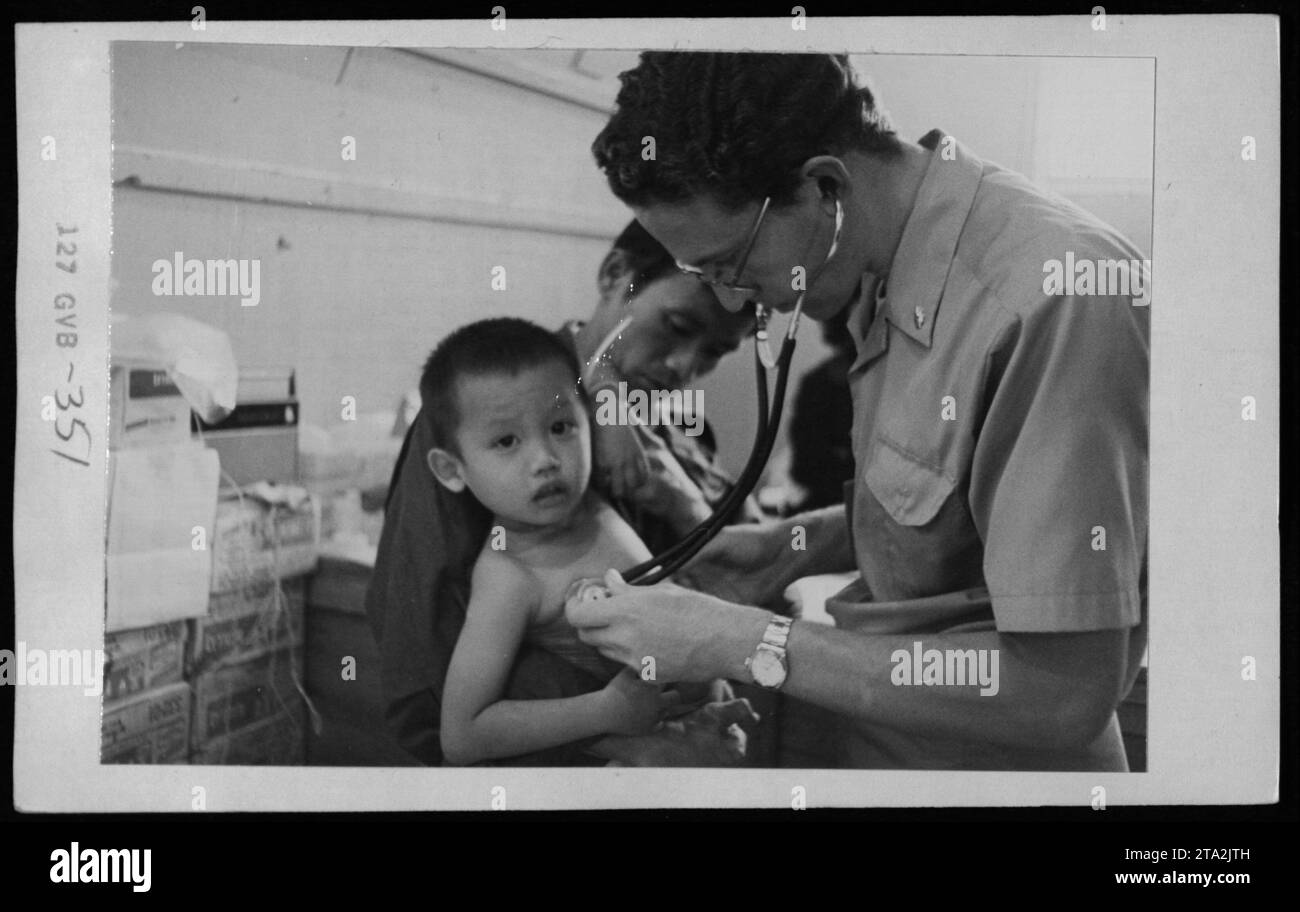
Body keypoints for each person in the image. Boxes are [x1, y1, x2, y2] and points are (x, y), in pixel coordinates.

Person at [573, 51, 1149, 770]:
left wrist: (736, 640)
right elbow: (966, 510)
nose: (729, 300)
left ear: (823, 189)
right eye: (702, 276)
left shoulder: (1051, 297)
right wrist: (787, 547)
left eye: (731, 263)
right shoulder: (879, 270)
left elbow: (1061, 694)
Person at [365, 220, 761, 766]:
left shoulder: (668, 425)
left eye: (716, 352)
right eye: (675, 326)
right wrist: (630, 737)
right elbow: (423, 673)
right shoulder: (482, 408)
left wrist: (681, 502)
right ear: (616, 274)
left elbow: (755, 574)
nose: (683, 367)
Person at [420, 318, 751, 765]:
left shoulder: (592, 501)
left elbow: (597, 367)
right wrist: (605, 711)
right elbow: (462, 736)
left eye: (560, 428)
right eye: (506, 441)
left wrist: (709, 691)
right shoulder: (510, 576)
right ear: (451, 471)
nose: (545, 460)